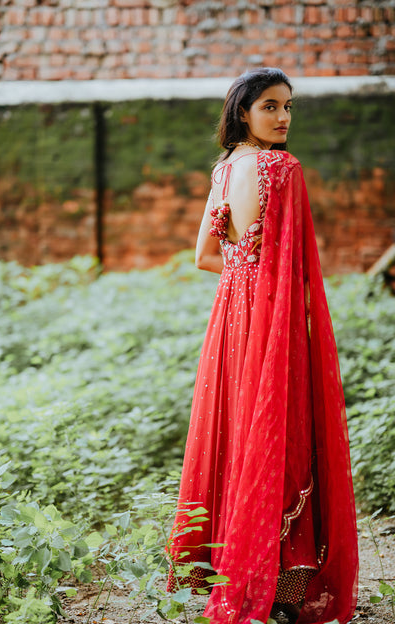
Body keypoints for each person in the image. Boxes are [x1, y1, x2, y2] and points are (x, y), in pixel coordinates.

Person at [167, 68, 358, 624]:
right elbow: (297, 269)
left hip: (233, 316)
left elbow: (204, 254)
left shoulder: (225, 170)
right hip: (273, 321)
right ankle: (282, 585)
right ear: (243, 111)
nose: (282, 118)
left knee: (235, 427)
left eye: (288, 107)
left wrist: (242, 266)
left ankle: (223, 571)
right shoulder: (283, 168)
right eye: (270, 106)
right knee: (284, 429)